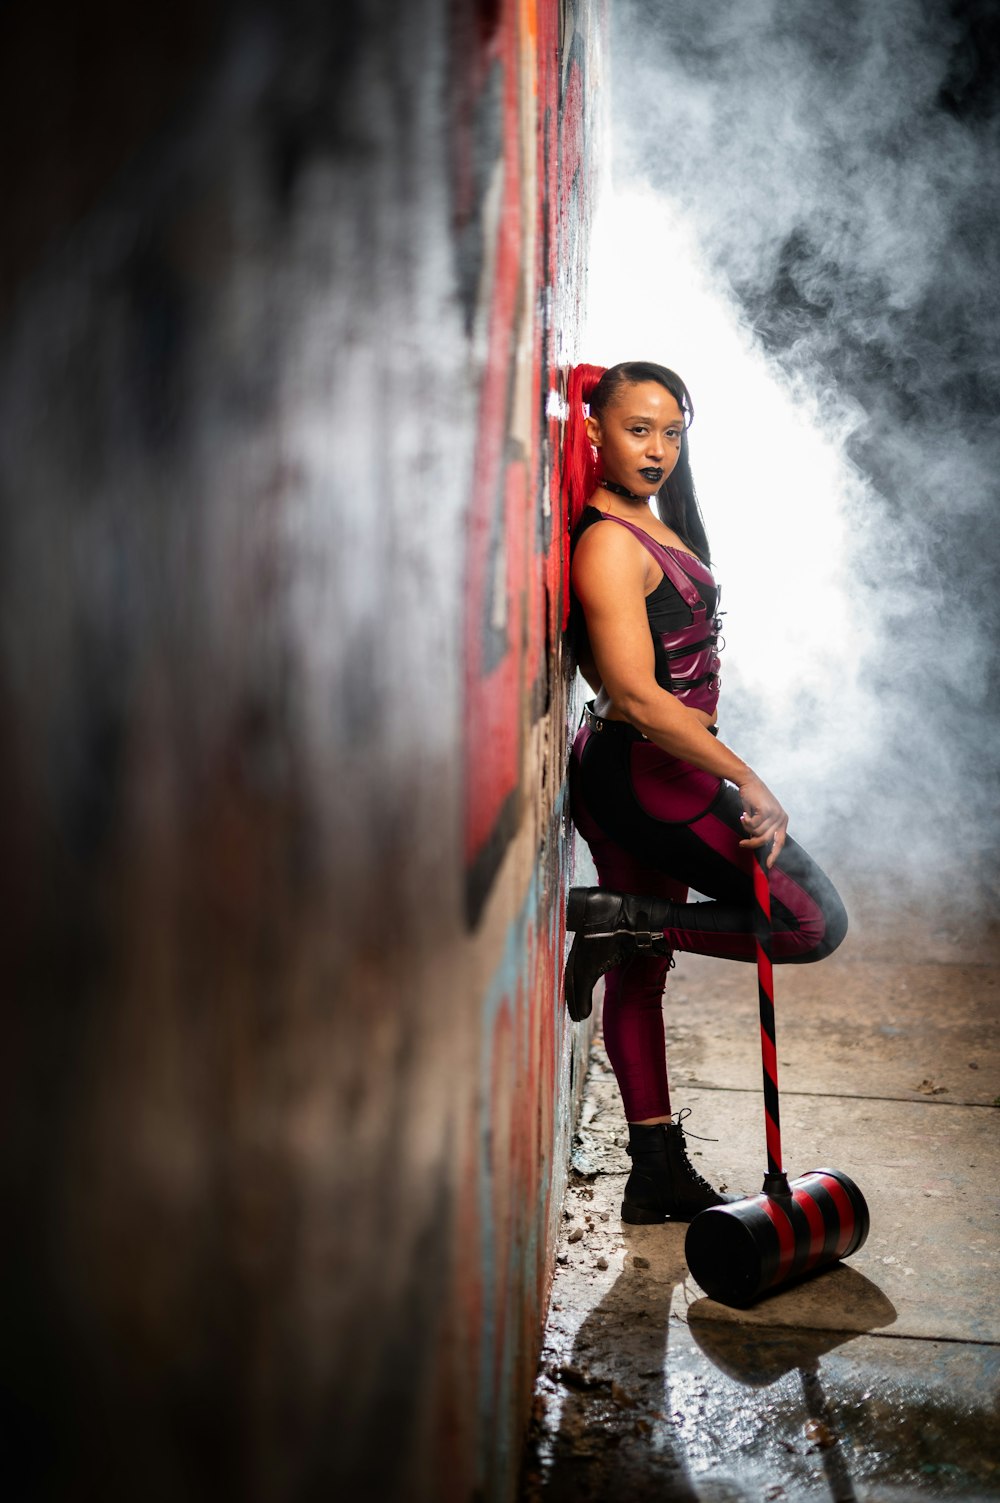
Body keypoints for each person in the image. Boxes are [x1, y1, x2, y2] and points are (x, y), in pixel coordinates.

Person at [562, 360, 847, 1226]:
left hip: (648, 772)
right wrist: (748, 778)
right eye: (638, 429)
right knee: (809, 922)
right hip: (647, 774)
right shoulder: (610, 541)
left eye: (672, 431)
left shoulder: (653, 519)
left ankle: (654, 1173)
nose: (657, 449)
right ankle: (623, 917)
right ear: (596, 433)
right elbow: (641, 697)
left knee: (640, 979)